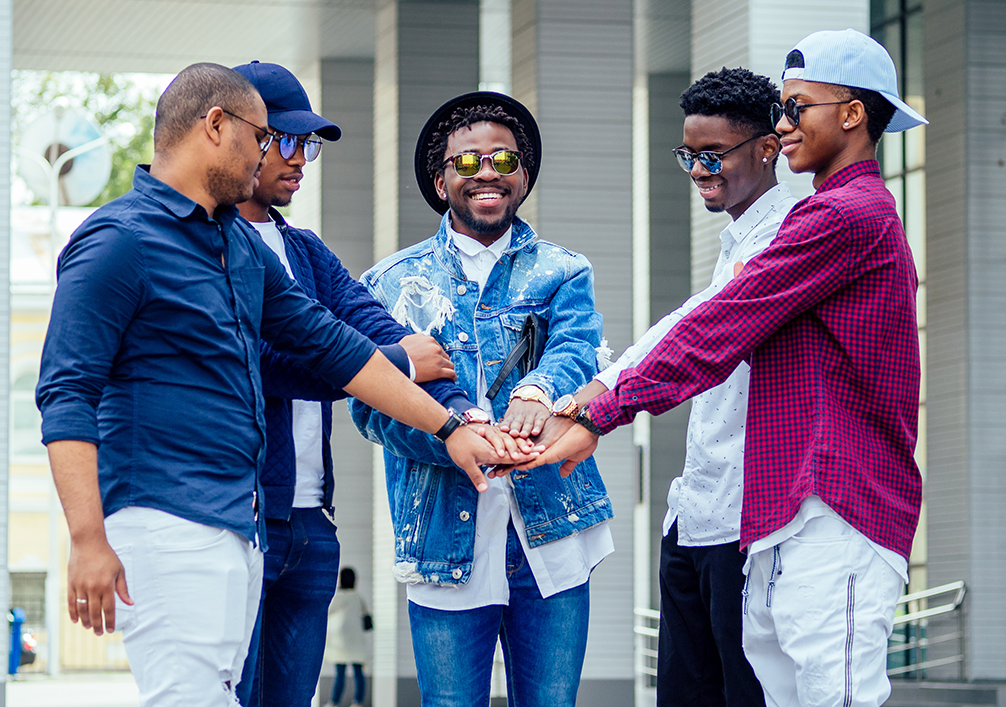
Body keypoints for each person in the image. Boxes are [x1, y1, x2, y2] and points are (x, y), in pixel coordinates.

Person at [35, 63, 526, 707]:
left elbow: (334, 345)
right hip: (162, 519)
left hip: (240, 529)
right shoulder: (117, 240)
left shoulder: (238, 246)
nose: (273, 154)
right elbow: (67, 393)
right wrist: (88, 538)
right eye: (264, 136)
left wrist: (452, 426)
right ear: (217, 126)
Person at [525, 29, 927, 707]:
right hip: (789, 518)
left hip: (839, 511)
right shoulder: (826, 217)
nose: (783, 122)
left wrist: (602, 408)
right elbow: (709, 319)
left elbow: (719, 326)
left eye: (798, 108)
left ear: (854, 114)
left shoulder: (848, 217)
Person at [350, 91, 614, 707]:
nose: (487, 172)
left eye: (504, 159)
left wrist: (537, 390)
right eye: (467, 163)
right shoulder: (389, 284)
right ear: (441, 181)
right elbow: (370, 406)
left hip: (553, 530)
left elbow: (577, 344)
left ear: (523, 176)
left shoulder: (565, 270)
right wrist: (457, 440)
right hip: (443, 534)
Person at [229, 61, 480, 707]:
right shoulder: (215, 248)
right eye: (287, 140)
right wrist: (389, 365)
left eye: (307, 145)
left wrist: (457, 414)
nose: (300, 159)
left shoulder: (306, 250)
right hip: (246, 516)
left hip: (313, 526)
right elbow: (271, 364)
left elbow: (384, 329)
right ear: (243, 137)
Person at [558, 66, 788, 706]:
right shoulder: (738, 236)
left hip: (750, 519)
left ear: (768, 147)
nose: (697, 170)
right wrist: (592, 389)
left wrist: (598, 404)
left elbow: (698, 336)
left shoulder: (788, 235)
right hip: (697, 515)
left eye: (713, 155)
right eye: (688, 154)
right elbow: (685, 322)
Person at [324, 567, 369, 707]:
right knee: (358, 672)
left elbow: (327, 610)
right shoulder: (358, 597)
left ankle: (334, 702)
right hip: (356, 641)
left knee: (340, 673)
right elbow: (366, 615)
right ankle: (357, 702)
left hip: (340, 641)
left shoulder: (337, 597)